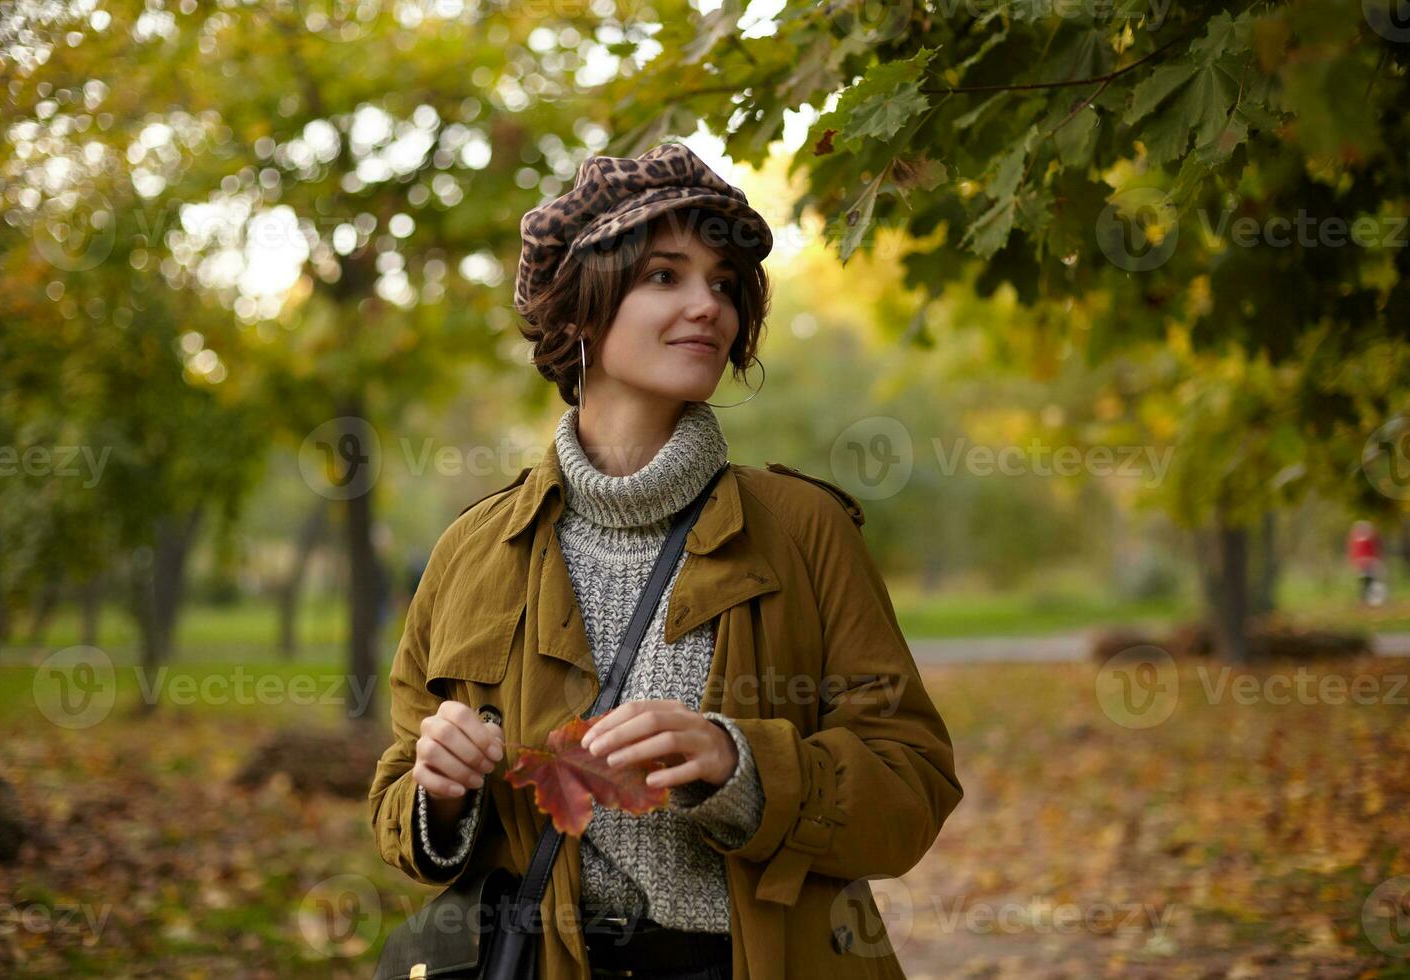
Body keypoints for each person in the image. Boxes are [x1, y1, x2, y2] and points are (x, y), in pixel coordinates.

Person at [368, 141, 964, 980]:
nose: (708, 307)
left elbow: (912, 788)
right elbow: (400, 796)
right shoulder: (471, 551)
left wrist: (742, 765)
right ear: (579, 311)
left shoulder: (806, 529)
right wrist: (438, 794)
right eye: (664, 276)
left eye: (724, 283)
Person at [1347, 520, 1387, 607]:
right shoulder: (1357, 540)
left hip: (1369, 562)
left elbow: (1374, 551)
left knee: (1370, 581)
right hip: (1363, 563)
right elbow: (1354, 552)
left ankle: (1370, 600)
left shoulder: (1367, 539)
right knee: (1365, 582)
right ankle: (1366, 600)